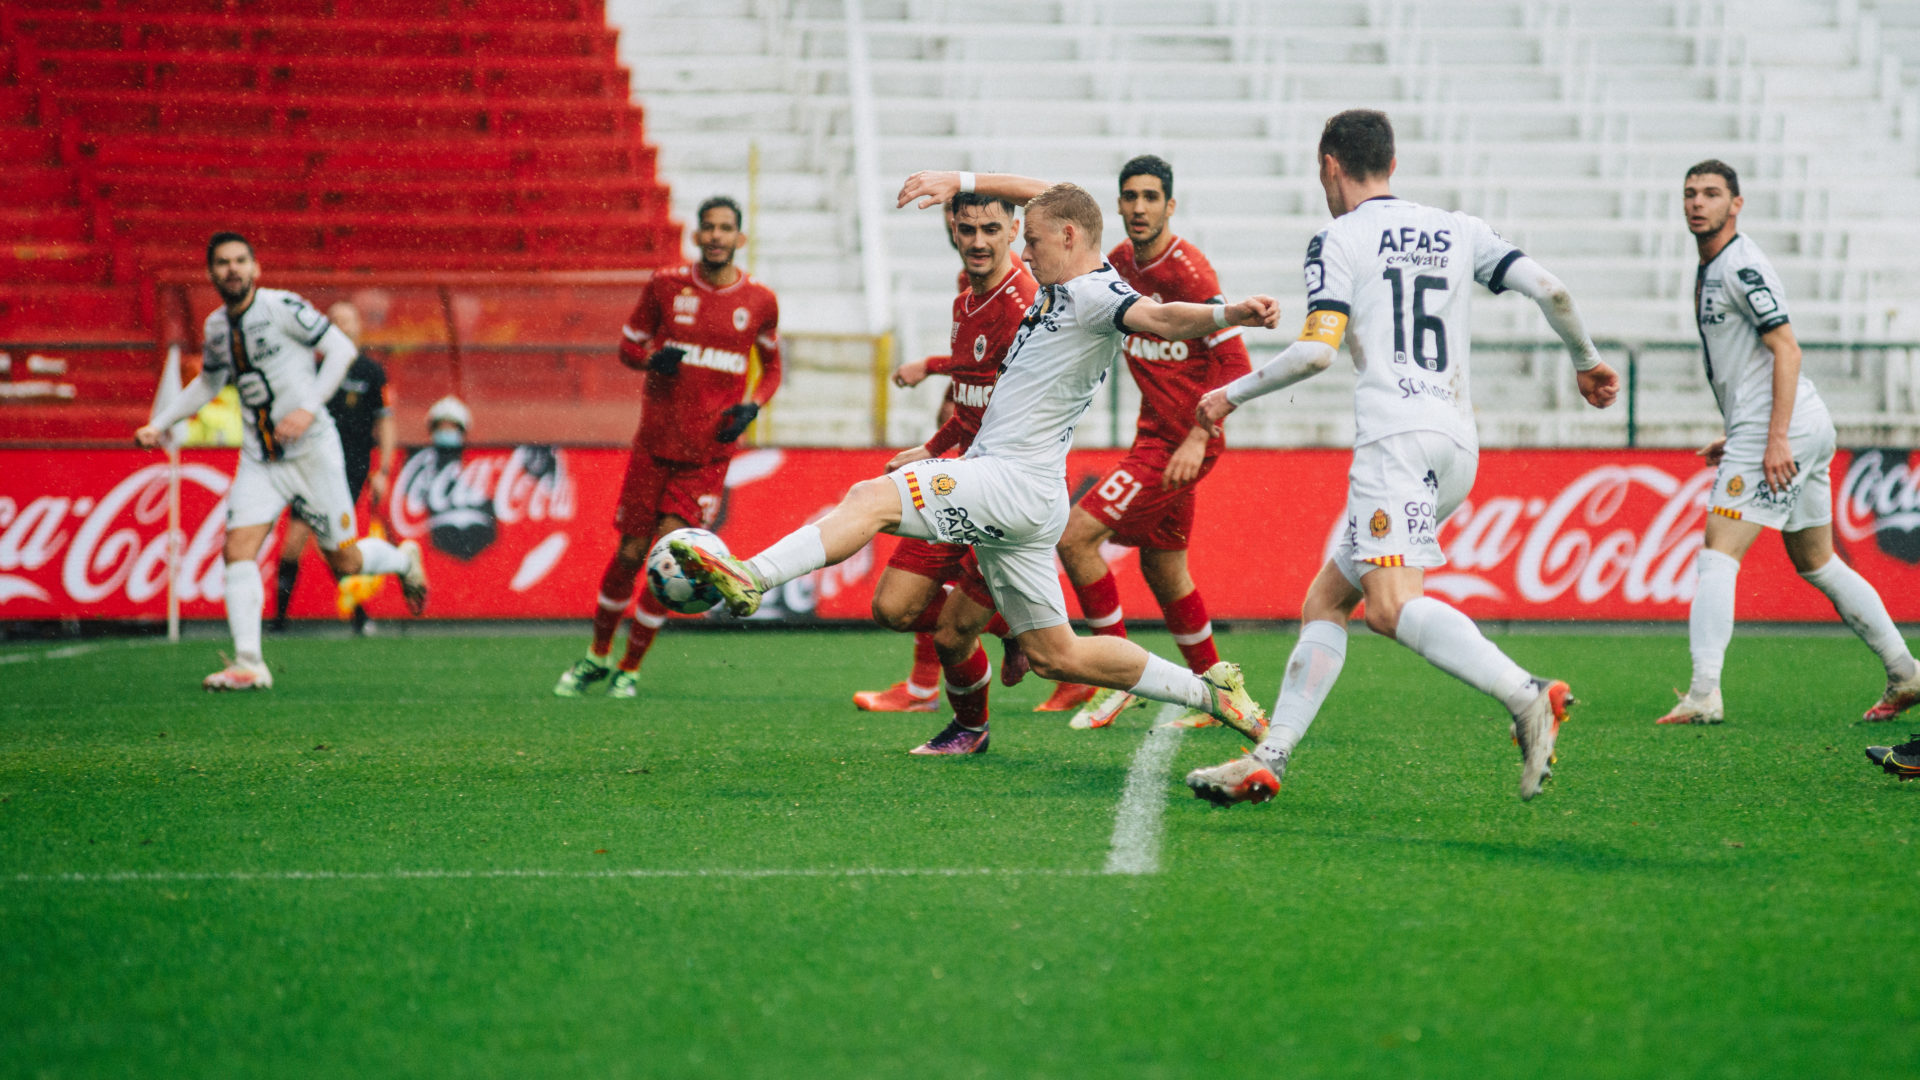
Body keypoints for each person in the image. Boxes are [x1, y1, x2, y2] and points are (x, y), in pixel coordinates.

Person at [672, 174, 1279, 754]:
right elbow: (1049, 196)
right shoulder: (1064, 283)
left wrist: (1227, 314)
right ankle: (1209, 690)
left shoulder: (1096, 293)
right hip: (1027, 494)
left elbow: (1164, 316)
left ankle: (751, 576)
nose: (1026, 252)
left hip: (1007, 480)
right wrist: (958, 178)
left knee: (870, 498)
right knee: (1056, 653)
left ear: (1068, 238)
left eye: (1034, 241)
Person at [1182, 110, 1620, 805]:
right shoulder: (1457, 227)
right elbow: (1554, 291)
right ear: (1391, 161)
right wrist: (1587, 362)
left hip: (1395, 441)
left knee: (1389, 608)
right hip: (1455, 444)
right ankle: (1269, 756)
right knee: (1328, 599)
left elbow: (1318, 350)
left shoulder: (1337, 238)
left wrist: (1227, 396)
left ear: (1330, 165)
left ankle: (1526, 693)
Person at [1653, 161, 1918, 726]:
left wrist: (1771, 439)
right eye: (1690, 194)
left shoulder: (1741, 265)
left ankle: (1703, 693)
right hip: (1793, 423)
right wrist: (1744, 431)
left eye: (1711, 194)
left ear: (1736, 204)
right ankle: (1906, 672)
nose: (1697, 203)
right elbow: (1751, 361)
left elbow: (1787, 348)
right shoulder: (1713, 264)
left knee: (1717, 553)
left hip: (1786, 429)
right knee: (1817, 561)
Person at [136, 233, 428, 690]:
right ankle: (249, 663)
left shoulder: (283, 308)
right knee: (238, 551)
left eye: (239, 261)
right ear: (212, 273)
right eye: (222, 263)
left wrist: (309, 406)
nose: (232, 269)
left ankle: (402, 558)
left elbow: (341, 350)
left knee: (345, 563)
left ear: (255, 268)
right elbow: (210, 383)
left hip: (313, 453)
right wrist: (162, 421)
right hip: (261, 458)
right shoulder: (216, 328)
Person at [1034, 154, 1255, 727]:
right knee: (1165, 571)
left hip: (1179, 445)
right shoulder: (1117, 266)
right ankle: (1218, 690)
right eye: (1129, 196)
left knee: (1075, 540)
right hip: (1153, 437)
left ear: (1170, 206)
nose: (1137, 207)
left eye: (1150, 197)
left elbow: (1234, 364)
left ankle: (1118, 677)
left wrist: (1197, 438)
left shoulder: (1193, 274)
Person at [553, 196, 782, 699]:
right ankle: (596, 656)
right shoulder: (664, 286)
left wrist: (753, 406)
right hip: (654, 447)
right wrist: (653, 359)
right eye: (709, 228)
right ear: (696, 236)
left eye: (727, 228)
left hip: (707, 457)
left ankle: (630, 668)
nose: (717, 236)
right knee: (630, 552)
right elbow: (629, 347)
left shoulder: (760, 302)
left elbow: (774, 367)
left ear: (740, 239)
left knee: (671, 557)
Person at [852, 192, 1037, 713]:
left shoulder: (1025, 301)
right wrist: (930, 449)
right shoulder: (966, 297)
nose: (975, 239)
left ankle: (1197, 689)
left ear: (1012, 230)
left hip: (1003, 484)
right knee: (892, 608)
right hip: (960, 469)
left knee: (1053, 654)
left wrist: (928, 368)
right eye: (964, 227)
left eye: (988, 228)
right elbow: (974, 392)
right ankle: (1009, 629)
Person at [270, 300, 396, 635]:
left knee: (335, 546)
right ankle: (279, 622)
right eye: (335, 320)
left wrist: (382, 469)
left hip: (350, 468)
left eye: (347, 320)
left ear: (358, 327)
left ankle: (359, 615)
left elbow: (385, 423)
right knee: (296, 540)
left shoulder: (371, 372)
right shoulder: (312, 369)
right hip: (310, 464)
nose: (341, 325)